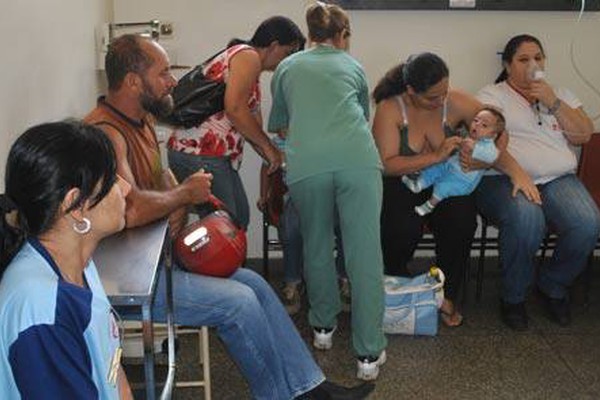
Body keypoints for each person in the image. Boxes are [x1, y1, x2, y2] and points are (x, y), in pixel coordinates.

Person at [85, 34, 373, 400]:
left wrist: (177, 195)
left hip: (158, 260)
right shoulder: (105, 134)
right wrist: (183, 195)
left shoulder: (140, 122)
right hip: (129, 283)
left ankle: (310, 387)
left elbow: (159, 182)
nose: (173, 81)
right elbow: (129, 208)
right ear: (132, 81)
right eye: (162, 74)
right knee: (239, 302)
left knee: (254, 284)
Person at [371, 52, 538, 328]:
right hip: (403, 179)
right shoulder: (390, 109)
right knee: (401, 226)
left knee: (461, 221)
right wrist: (435, 157)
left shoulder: (456, 101)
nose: (440, 101)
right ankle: (396, 285)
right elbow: (388, 165)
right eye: (432, 97)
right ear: (411, 91)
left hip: (447, 181)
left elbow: (500, 129)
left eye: (444, 93)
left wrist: (484, 159)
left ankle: (447, 295)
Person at [269, 3, 387, 381]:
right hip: (357, 160)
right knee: (364, 253)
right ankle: (368, 354)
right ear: (343, 35)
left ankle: (322, 329)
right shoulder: (353, 66)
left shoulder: (287, 67)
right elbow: (359, 117)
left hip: (308, 166)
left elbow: (281, 127)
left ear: (309, 35)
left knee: (317, 244)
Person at [475, 34, 600, 330]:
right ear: (507, 65)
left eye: (538, 58)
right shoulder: (492, 96)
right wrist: (518, 173)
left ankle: (553, 285)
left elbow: (583, 134)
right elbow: (484, 143)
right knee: (527, 218)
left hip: (558, 180)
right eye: (523, 59)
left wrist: (552, 102)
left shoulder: (560, 94)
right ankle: (513, 297)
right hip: (502, 180)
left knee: (587, 223)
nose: (533, 64)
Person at [0, 121, 133, 399]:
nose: (126, 188)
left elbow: (112, 368)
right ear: (76, 205)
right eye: (112, 180)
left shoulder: (79, 264)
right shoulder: (42, 311)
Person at [167, 16, 306, 229]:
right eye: (288, 53)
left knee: (238, 218)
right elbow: (235, 109)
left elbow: (252, 126)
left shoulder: (251, 65)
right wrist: (270, 150)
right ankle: (199, 261)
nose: (286, 61)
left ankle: (216, 262)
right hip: (200, 153)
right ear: (274, 45)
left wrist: (276, 157)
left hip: (211, 156)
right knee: (226, 228)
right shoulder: (247, 56)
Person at [258, 132, 348, 315]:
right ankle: (293, 282)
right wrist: (263, 195)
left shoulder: (329, 134)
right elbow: (266, 167)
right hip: (297, 194)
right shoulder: (278, 143)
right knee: (290, 227)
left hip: (332, 194)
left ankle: (343, 278)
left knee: (349, 222)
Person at [402, 106, 505, 216]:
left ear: (492, 135)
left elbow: (491, 157)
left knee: (442, 187)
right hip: (450, 166)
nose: (477, 125)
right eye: (476, 120)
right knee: (434, 169)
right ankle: (419, 184)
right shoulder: (470, 137)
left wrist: (474, 148)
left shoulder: (489, 147)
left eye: (484, 125)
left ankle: (429, 205)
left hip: (461, 180)